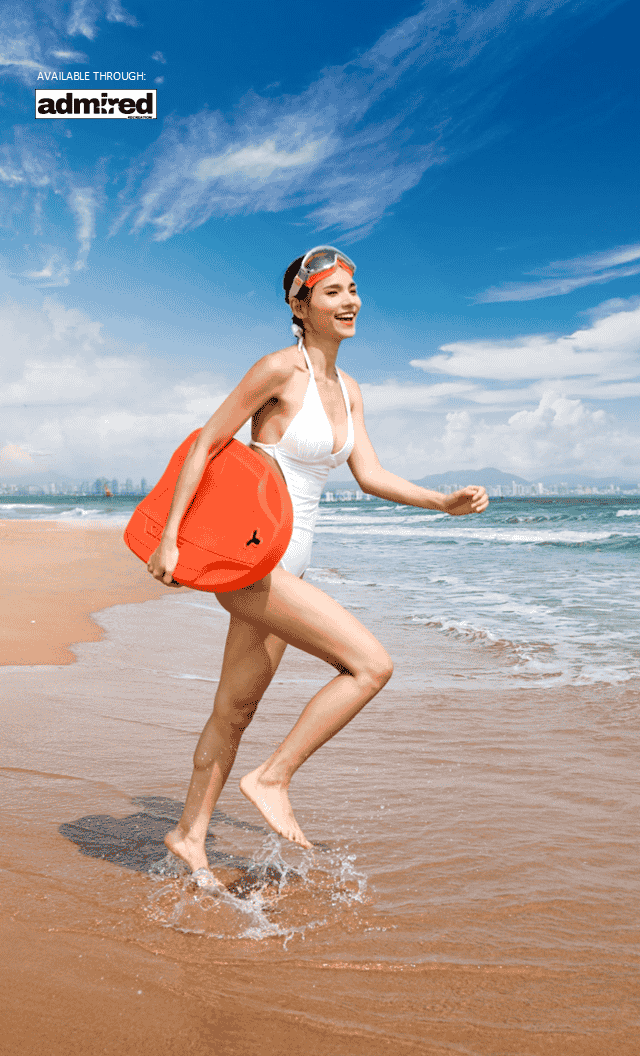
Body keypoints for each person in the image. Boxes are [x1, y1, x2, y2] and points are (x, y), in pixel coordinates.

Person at [147, 246, 488, 882]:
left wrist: (441, 501)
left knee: (235, 711)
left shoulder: (348, 389)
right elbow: (205, 443)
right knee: (371, 664)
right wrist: (170, 538)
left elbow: (371, 474)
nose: (350, 300)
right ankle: (272, 778)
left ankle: (189, 835)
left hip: (291, 569)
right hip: (256, 563)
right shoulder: (278, 371)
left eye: (354, 289)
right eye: (333, 292)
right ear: (300, 305)